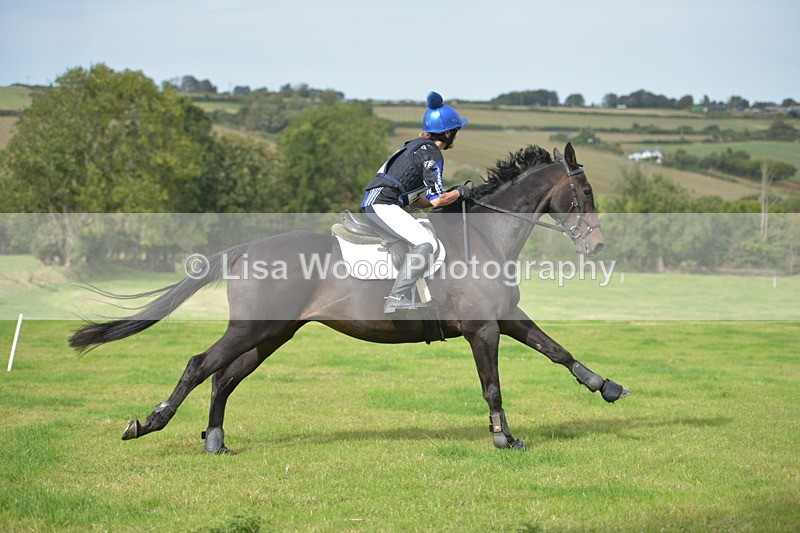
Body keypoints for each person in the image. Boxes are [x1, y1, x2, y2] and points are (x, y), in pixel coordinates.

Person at [360, 91, 471, 313]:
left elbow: (416, 203)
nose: (456, 137)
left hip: (379, 202)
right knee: (426, 243)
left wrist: (447, 195)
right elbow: (438, 200)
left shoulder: (415, 146)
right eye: (456, 132)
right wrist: (459, 193)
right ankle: (396, 298)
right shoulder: (431, 154)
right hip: (383, 204)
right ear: (448, 133)